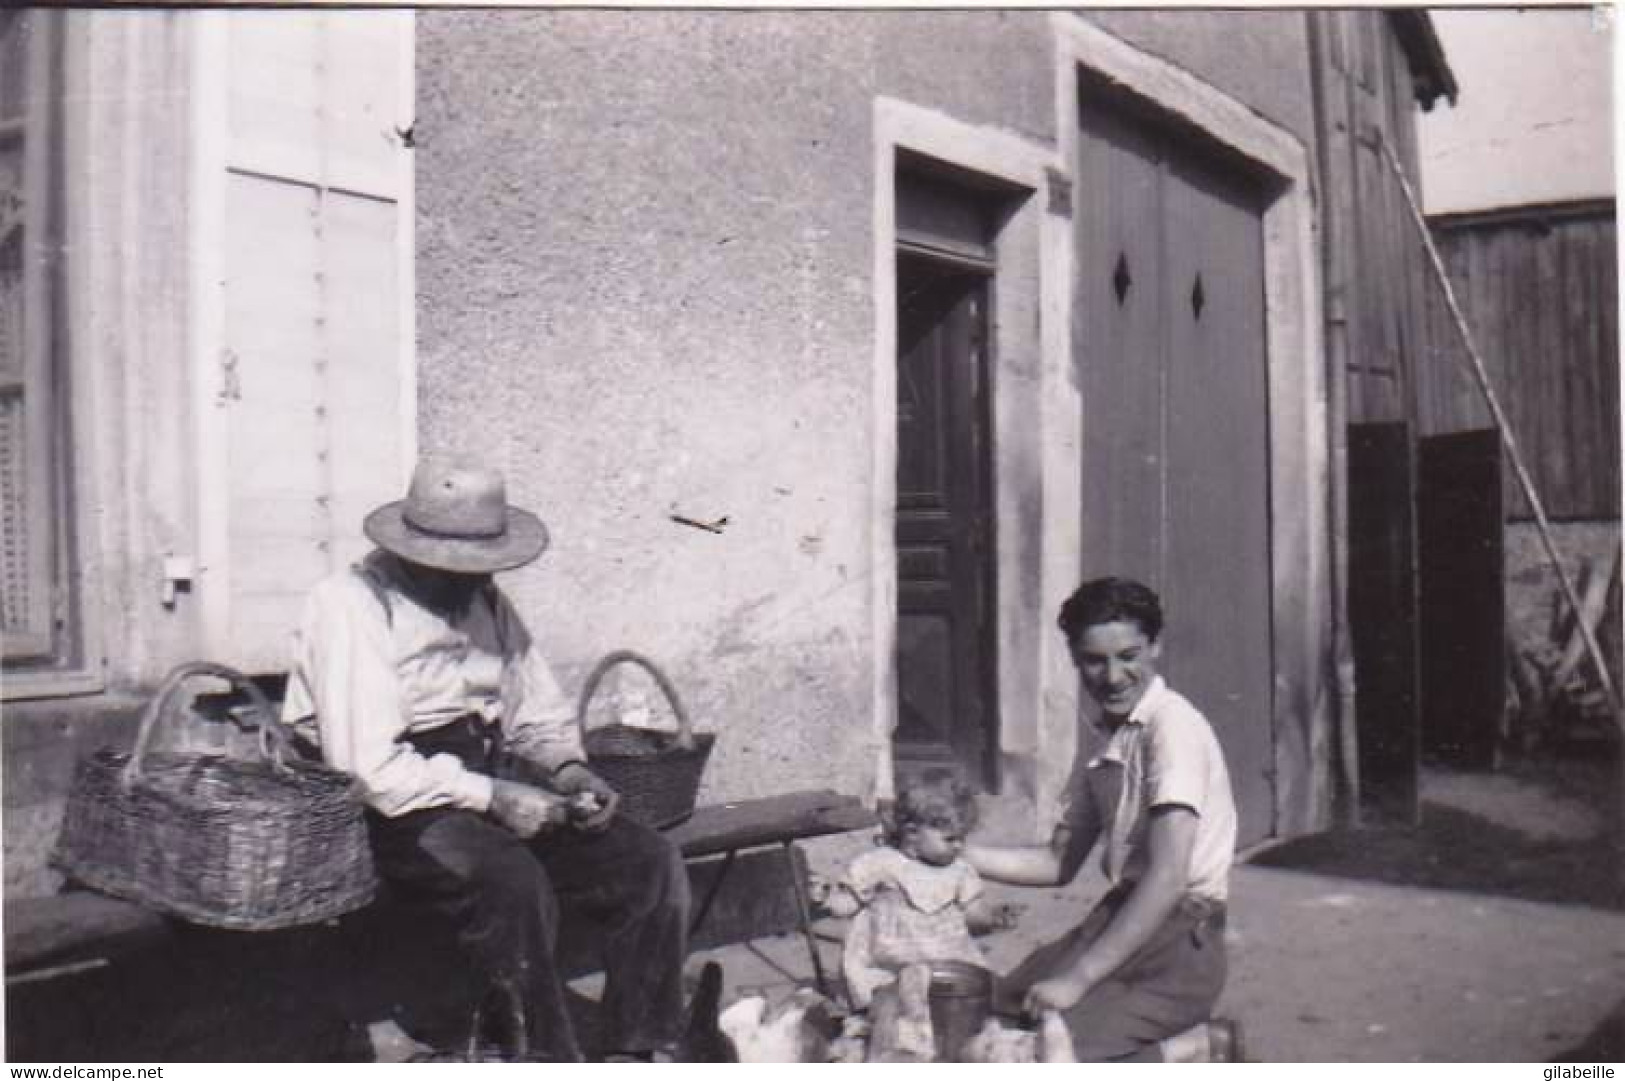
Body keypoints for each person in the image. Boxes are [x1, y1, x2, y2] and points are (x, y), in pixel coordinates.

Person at [282, 456, 691, 1062]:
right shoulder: (349, 606)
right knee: (512, 884)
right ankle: (543, 1057)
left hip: (490, 784)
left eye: (479, 565)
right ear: (411, 548)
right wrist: (494, 797)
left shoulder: (487, 601)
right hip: (398, 811)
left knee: (647, 861)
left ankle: (638, 1046)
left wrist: (568, 771)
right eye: (452, 566)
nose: (467, 578)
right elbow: (368, 769)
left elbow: (536, 712)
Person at [964, 577, 1242, 1062]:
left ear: (1156, 645)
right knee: (997, 1011)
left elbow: (1169, 874)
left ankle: (1195, 1047)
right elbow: (1057, 862)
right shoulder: (1109, 742)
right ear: (1075, 659)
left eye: (1128, 655)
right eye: (1094, 660)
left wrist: (1079, 977)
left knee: (1050, 1053)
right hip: (1118, 919)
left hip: (1179, 941)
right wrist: (955, 854)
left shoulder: (1172, 728)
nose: (1112, 677)